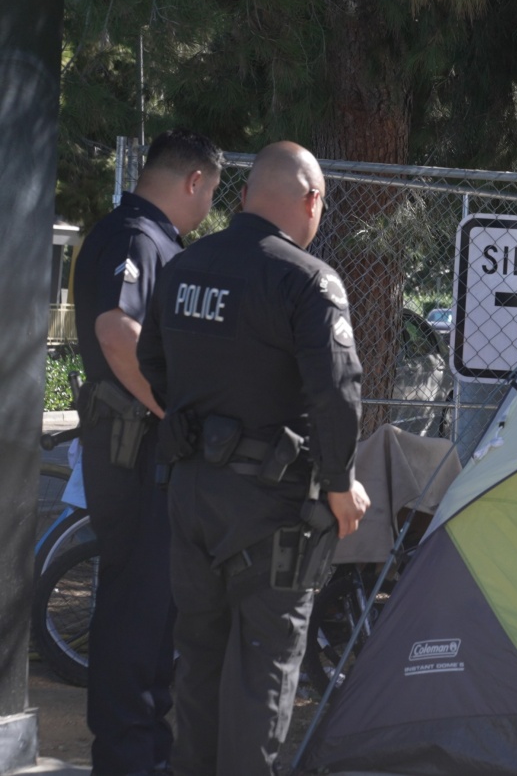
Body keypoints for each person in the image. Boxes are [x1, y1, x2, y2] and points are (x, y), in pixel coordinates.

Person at [136, 141, 371, 776]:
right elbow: (337, 394)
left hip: (190, 497)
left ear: (242, 197)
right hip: (272, 514)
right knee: (262, 678)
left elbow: (152, 366)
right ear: (312, 200)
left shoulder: (184, 267)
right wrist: (339, 481)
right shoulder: (306, 280)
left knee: (200, 667)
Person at [71, 127, 222, 776]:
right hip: (136, 453)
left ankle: (143, 752)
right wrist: (176, 410)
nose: (209, 206)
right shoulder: (137, 235)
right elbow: (115, 330)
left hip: (142, 453)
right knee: (138, 611)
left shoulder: (150, 237)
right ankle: (130, 757)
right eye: (212, 192)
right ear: (194, 180)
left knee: (152, 609)